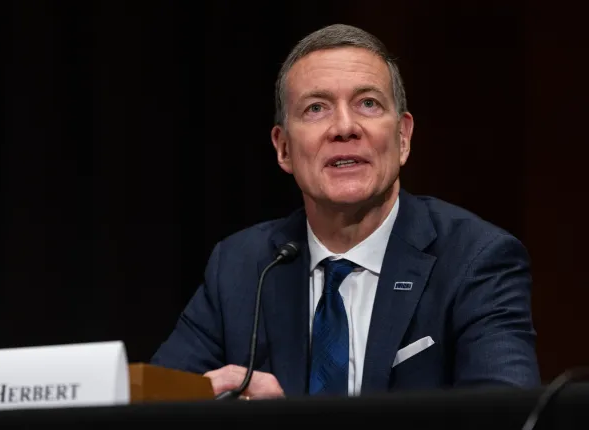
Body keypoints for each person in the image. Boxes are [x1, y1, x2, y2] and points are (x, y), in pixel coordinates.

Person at [150, 23, 540, 399]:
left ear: (403, 137)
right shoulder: (240, 267)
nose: (344, 127)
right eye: (316, 108)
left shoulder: (475, 259)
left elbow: (507, 417)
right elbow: (150, 406)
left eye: (367, 104)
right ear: (283, 148)